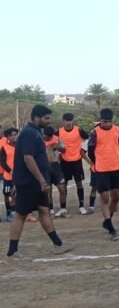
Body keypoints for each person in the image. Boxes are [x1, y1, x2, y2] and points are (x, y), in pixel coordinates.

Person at [6, 105, 73, 259]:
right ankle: (12, 252)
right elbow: (27, 158)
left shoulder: (36, 132)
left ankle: (58, 244)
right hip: (29, 182)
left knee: (43, 210)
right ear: (36, 117)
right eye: (46, 118)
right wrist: (42, 181)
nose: (49, 121)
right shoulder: (29, 133)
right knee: (20, 215)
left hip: (35, 182)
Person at [88, 108, 119, 241]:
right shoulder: (94, 133)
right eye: (105, 122)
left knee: (116, 197)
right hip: (102, 170)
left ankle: (107, 221)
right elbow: (91, 151)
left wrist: (116, 159)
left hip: (116, 168)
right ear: (100, 120)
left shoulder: (118, 131)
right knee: (105, 199)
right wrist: (99, 162)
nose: (108, 124)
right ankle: (111, 228)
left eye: (110, 121)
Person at [57, 113, 91, 215]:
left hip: (76, 161)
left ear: (73, 120)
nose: (68, 122)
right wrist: (58, 152)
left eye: (70, 120)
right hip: (64, 161)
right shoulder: (59, 132)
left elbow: (88, 139)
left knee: (79, 183)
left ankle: (81, 206)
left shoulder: (79, 130)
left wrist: (83, 150)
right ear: (63, 121)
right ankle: (63, 208)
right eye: (66, 120)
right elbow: (51, 142)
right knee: (64, 185)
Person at [42, 127, 67, 217]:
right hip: (44, 167)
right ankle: (51, 210)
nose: (49, 138)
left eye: (50, 136)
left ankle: (63, 209)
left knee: (62, 189)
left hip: (56, 166)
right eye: (47, 136)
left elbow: (64, 150)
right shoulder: (39, 140)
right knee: (48, 190)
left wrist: (58, 147)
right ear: (43, 134)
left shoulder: (56, 139)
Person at [0, 128, 18, 222]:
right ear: (7, 137)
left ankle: (16, 212)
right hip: (8, 176)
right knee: (7, 195)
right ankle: (9, 213)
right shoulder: (4, 147)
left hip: (18, 175)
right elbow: (2, 162)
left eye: (15, 134)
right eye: (12, 135)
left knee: (15, 194)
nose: (14, 137)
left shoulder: (20, 146)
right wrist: (10, 171)